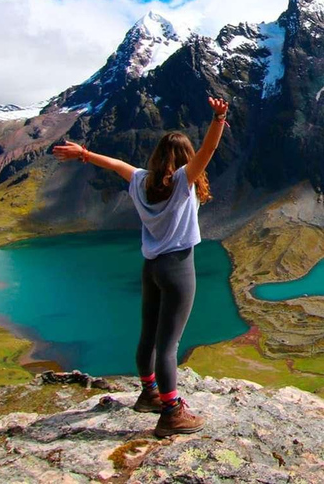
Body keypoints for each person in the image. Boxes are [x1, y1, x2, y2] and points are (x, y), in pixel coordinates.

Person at [53, 96, 230, 437]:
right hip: (178, 267)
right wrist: (219, 119)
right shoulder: (181, 183)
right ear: (183, 159)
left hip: (151, 268)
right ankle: (172, 412)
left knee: (148, 334)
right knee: (169, 345)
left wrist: (84, 155)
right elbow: (207, 153)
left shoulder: (140, 181)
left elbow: (116, 164)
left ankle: (148, 393)